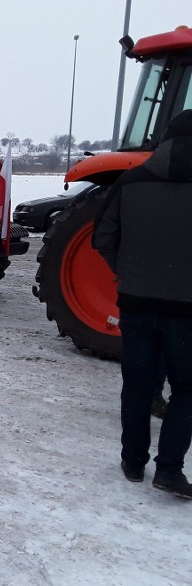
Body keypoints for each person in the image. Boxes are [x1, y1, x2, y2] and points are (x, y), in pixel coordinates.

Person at [93, 109, 192, 499]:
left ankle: (133, 462)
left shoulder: (130, 181)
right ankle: (169, 470)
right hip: (187, 312)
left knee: (136, 383)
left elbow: (102, 236)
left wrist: (128, 271)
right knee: (187, 388)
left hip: (136, 303)